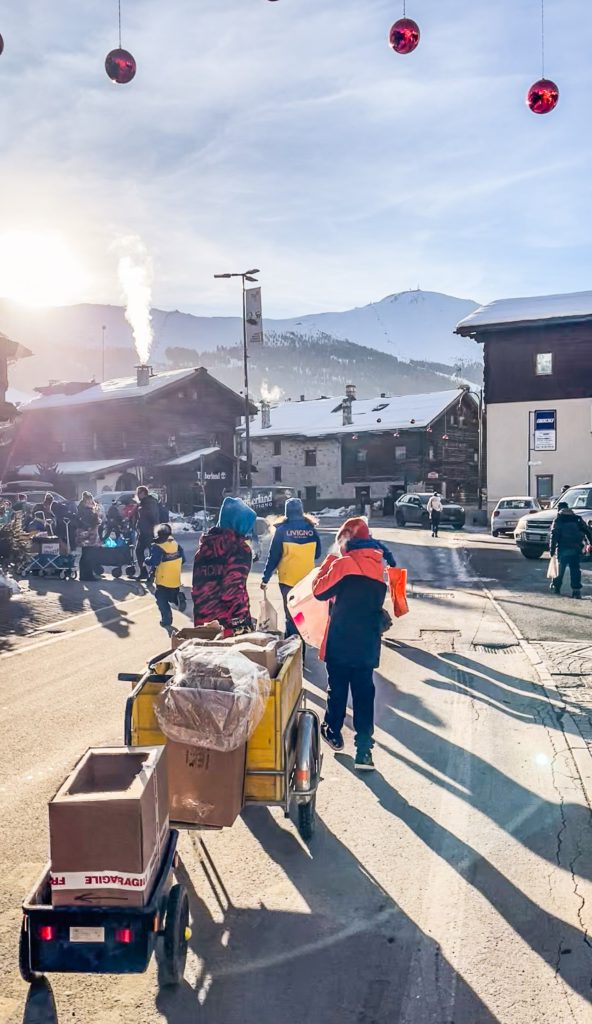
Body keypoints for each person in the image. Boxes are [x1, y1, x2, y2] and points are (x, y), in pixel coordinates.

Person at [312, 517, 394, 771]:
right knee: (363, 693)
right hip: (367, 640)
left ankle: (333, 732)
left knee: (337, 690)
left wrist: (329, 561)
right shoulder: (380, 564)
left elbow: (319, 591)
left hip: (341, 638)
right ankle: (364, 750)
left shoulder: (344, 564)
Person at [192, 496, 256, 636]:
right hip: (228, 624)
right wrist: (243, 623)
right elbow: (232, 592)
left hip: (204, 621)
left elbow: (197, 587)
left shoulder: (204, 547)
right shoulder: (239, 549)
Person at [261, 498, 322, 640]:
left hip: (288, 581)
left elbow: (273, 558)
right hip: (307, 582)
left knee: (291, 615)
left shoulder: (281, 531)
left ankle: (293, 648)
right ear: (301, 511)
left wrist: (265, 579)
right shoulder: (312, 530)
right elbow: (317, 554)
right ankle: (302, 644)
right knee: (302, 614)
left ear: (286, 512)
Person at [146, 524, 187, 635]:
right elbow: (183, 559)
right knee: (172, 596)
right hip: (175, 578)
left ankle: (166, 620)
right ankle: (179, 598)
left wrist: (146, 560)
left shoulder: (158, 547)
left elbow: (154, 562)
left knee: (161, 600)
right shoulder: (175, 544)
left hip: (163, 580)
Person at [549, 502, 592, 599]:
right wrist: (590, 543)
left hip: (562, 549)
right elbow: (587, 531)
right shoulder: (577, 519)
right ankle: (576, 591)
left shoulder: (558, 520)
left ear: (559, 509)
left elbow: (553, 535)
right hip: (576, 548)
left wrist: (552, 551)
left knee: (560, 569)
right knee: (575, 570)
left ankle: (556, 587)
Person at [134, 486, 161, 578]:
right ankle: (144, 572)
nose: (137, 495)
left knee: (152, 552)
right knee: (138, 551)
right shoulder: (142, 503)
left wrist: (154, 531)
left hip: (149, 532)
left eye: (138, 493)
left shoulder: (149, 503)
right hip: (143, 532)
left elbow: (153, 517)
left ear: (143, 493)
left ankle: (153, 572)